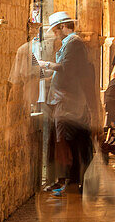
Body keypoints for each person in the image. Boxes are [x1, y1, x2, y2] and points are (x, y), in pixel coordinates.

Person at [38, 12, 98, 197]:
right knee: (66, 141)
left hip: (68, 101)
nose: (55, 35)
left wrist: (44, 64)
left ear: (63, 27)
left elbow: (66, 68)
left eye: (56, 31)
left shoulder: (74, 44)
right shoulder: (71, 44)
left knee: (67, 141)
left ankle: (71, 181)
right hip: (64, 99)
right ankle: (70, 181)